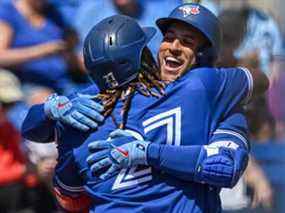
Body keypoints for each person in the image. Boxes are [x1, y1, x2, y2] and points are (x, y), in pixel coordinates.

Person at [22, 4, 268, 212]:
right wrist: (50, 109)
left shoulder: (213, 93)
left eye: (187, 41)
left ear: (203, 56)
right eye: (169, 37)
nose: (173, 46)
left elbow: (225, 168)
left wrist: (148, 153)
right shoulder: (91, 104)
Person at [0, 0, 83, 93]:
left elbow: (68, 55)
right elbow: (1, 57)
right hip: (27, 85)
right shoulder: (8, 11)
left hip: (64, 81)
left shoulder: (55, 13)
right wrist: (43, 51)